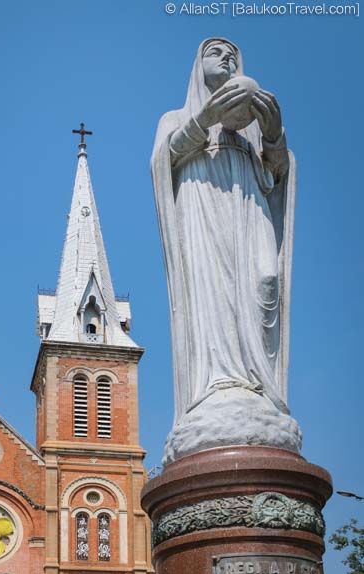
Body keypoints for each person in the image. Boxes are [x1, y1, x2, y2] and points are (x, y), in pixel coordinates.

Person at [151, 38, 301, 462]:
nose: (227, 58)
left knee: (265, 280)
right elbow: (165, 161)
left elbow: (277, 173)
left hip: (248, 206)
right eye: (215, 52)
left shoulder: (249, 130)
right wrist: (206, 118)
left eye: (233, 53)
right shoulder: (177, 117)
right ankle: (218, 383)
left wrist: (273, 136)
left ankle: (259, 387)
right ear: (197, 66)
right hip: (203, 210)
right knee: (213, 294)